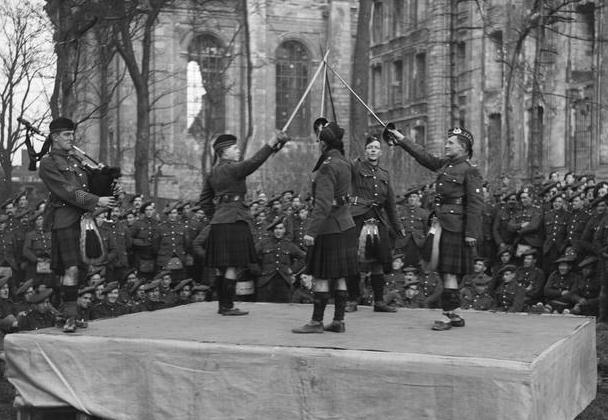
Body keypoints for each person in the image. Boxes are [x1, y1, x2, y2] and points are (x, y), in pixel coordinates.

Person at [387, 125, 483, 330]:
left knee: (448, 272)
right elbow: (423, 156)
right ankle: (454, 314)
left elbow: (475, 204)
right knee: (442, 270)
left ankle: (448, 315)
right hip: (440, 224)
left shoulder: (470, 171)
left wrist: (471, 234)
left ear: (463, 147)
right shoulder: (445, 165)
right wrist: (402, 139)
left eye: (450, 143)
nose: (446, 145)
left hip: (455, 228)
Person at [38, 117, 117, 332]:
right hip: (64, 218)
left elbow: (89, 185)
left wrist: (105, 180)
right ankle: (70, 317)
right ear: (55, 137)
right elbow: (67, 191)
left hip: (83, 219)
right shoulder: (47, 163)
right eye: (67, 135)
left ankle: (64, 315)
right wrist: (95, 200)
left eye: (72, 134)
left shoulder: (76, 160)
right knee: (70, 268)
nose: (71, 138)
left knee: (80, 270)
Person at [199, 131, 289, 316]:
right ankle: (228, 306)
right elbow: (254, 162)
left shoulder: (212, 173)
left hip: (219, 222)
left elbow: (204, 201)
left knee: (222, 267)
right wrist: (271, 142)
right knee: (232, 266)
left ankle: (222, 305)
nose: (238, 150)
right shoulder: (233, 168)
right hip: (235, 219)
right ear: (224, 152)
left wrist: (216, 216)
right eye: (234, 148)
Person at [292, 122, 358, 334]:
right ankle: (339, 321)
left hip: (329, 227)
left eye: (319, 139)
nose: (317, 143)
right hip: (346, 225)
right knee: (339, 276)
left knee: (320, 275)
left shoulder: (328, 166)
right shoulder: (345, 162)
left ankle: (316, 322)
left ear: (324, 143)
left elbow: (323, 204)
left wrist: (311, 231)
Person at [345, 135, 402, 313]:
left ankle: (379, 302)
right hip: (359, 217)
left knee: (379, 260)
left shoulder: (385, 174)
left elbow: (391, 203)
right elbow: (346, 166)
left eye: (376, 148)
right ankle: (352, 300)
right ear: (365, 150)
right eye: (370, 147)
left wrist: (398, 226)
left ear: (381, 152)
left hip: (378, 218)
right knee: (354, 260)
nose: (373, 150)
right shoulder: (356, 167)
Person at [255, 218, 306, 303]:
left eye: (281, 228)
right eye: (276, 228)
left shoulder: (289, 245)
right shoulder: (263, 243)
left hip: (284, 282)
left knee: (283, 309)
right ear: (272, 230)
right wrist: (258, 271)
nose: (278, 231)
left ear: (285, 230)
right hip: (266, 282)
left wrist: (292, 270)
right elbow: (252, 257)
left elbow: (304, 258)